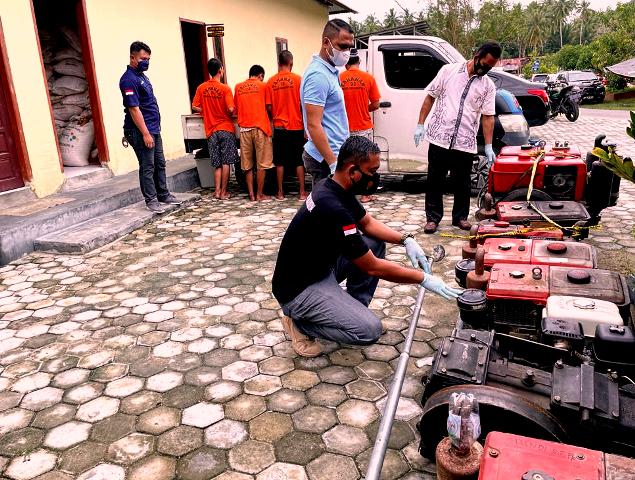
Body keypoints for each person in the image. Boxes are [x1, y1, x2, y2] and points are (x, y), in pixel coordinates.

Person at [272, 136, 461, 357]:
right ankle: (299, 324)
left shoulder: (334, 186)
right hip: (298, 290)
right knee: (368, 331)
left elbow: (367, 223)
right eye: (372, 171)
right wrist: (423, 278)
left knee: (374, 243)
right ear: (353, 171)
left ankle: (353, 310)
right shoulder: (332, 206)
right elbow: (372, 267)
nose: (375, 177)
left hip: (319, 269)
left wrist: (406, 239)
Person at [413, 41, 500, 234]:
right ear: (477, 55)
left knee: (462, 182)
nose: (486, 70)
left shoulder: (488, 86)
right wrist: (420, 124)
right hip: (440, 137)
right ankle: (432, 218)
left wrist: (488, 145)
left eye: (490, 68)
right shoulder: (448, 71)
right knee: (435, 180)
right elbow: (430, 97)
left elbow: (488, 117)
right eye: (485, 65)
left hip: (465, 141)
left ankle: (460, 217)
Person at [119, 41, 181, 213]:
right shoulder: (128, 80)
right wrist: (145, 133)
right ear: (132, 57)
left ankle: (163, 194)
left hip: (153, 128)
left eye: (148, 59)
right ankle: (151, 200)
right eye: (143, 58)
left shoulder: (142, 77)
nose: (146, 62)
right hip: (140, 130)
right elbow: (134, 109)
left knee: (160, 163)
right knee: (148, 166)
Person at [300, 19, 354, 187]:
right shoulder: (318, 76)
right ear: (326, 42)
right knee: (327, 203)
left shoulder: (329, 71)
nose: (346, 52)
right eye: (342, 46)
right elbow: (313, 125)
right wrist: (333, 164)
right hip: (325, 159)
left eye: (349, 47)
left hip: (334, 153)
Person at [192, 58, 237, 200]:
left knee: (217, 163)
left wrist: (206, 110)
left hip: (211, 131)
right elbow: (231, 109)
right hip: (225, 128)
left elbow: (195, 106)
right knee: (226, 162)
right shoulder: (225, 88)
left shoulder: (201, 88)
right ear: (220, 70)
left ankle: (217, 191)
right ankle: (224, 192)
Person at [340, 48, 381, 203]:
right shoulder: (368, 78)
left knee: (346, 161)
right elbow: (376, 104)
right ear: (359, 62)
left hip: (344, 128)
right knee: (366, 161)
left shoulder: (339, 78)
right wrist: (364, 108)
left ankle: (345, 192)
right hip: (363, 126)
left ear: (346, 64)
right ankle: (365, 194)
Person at [267, 50, 307, 201]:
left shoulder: (271, 82)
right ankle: (302, 192)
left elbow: (269, 106)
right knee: (299, 160)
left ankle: (280, 192)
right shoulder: (299, 80)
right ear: (291, 63)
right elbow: (304, 104)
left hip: (279, 128)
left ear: (278, 63)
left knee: (280, 161)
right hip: (297, 126)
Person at [235, 65, 273, 201]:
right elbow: (269, 107)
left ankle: (251, 195)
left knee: (247, 165)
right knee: (262, 164)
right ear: (260, 76)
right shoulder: (264, 86)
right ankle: (259, 194)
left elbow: (236, 109)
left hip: (244, 129)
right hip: (260, 128)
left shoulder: (238, 87)